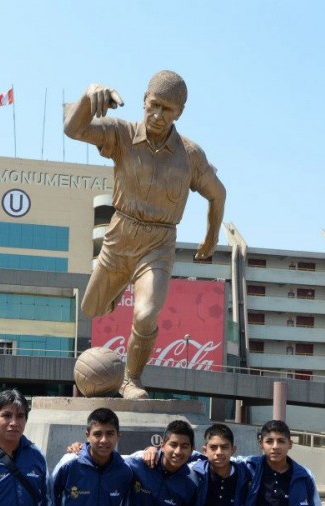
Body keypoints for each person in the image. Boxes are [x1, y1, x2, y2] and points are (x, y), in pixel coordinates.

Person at [64, 71, 226, 399]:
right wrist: (87, 97)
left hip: (159, 242)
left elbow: (217, 194)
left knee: (147, 313)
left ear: (179, 112)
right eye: (153, 105)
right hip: (120, 235)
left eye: (167, 109)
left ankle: (131, 379)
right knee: (92, 308)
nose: (157, 115)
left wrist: (212, 234)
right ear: (143, 100)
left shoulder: (190, 155)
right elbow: (73, 129)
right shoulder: (122, 134)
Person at [49, 408, 133, 506]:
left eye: (110, 434)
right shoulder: (69, 464)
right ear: (87, 435)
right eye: (97, 434)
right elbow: (50, 503)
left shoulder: (124, 471)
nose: (104, 440)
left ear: (118, 436)